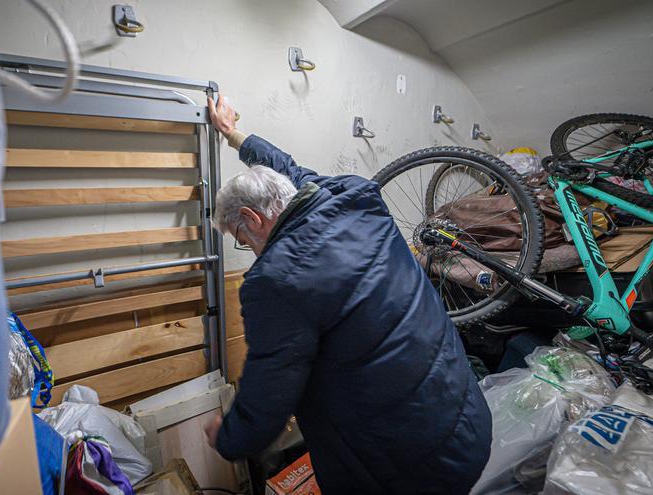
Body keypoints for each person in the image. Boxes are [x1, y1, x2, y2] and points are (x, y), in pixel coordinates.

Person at [203, 96, 492, 494]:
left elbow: (270, 393)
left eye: (242, 237)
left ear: (253, 218)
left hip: (406, 470)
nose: (249, 248)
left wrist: (228, 438)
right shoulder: (353, 195)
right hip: (464, 422)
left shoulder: (276, 280)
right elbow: (287, 168)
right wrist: (232, 133)